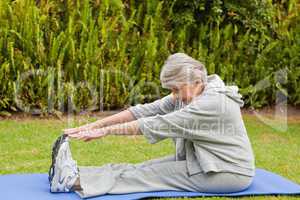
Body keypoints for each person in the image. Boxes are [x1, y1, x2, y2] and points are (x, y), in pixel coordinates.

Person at [48, 53, 255, 199]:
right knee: (144, 167)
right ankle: (76, 174)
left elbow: (157, 123)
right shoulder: (194, 90)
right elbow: (144, 111)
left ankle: (69, 183)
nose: (173, 95)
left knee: (146, 176)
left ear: (191, 81)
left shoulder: (211, 103)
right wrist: (93, 125)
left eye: (175, 89)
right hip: (205, 161)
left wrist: (105, 131)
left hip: (226, 172)